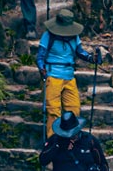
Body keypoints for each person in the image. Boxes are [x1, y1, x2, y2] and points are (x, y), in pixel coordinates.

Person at [36, 8, 103, 137]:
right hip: (53, 76)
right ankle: (52, 142)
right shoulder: (48, 35)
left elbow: (80, 51)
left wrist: (91, 58)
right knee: (53, 112)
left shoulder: (74, 36)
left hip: (69, 77)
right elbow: (40, 56)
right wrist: (42, 68)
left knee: (74, 109)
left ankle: (72, 141)